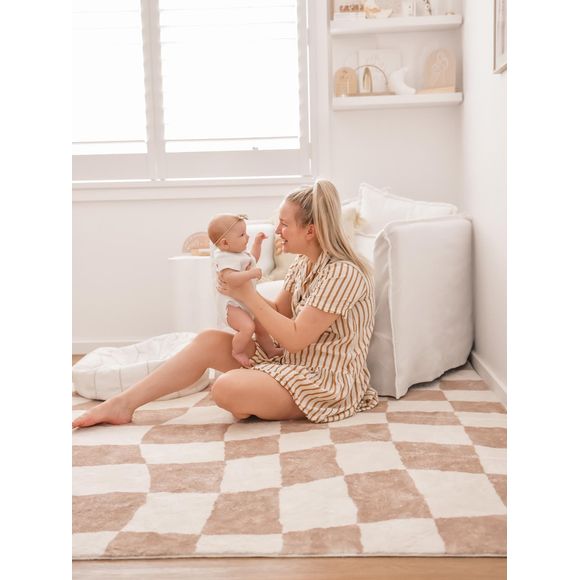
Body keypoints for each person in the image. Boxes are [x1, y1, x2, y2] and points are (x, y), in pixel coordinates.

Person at [72, 179, 378, 428]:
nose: (278, 231)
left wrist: (247, 295)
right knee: (208, 340)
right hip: (291, 363)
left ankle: (256, 397)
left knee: (226, 388)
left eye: (284, 224)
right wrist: (241, 292)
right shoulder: (304, 264)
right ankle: (123, 404)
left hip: (324, 382)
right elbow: (279, 314)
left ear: (310, 230)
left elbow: (295, 338)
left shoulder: (342, 273)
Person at [207, 213, 283, 367]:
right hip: (232, 305)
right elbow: (229, 278)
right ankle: (238, 351)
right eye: (242, 235)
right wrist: (251, 274)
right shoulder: (224, 257)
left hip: (244, 302)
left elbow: (253, 259)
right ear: (225, 243)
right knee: (247, 327)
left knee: (261, 326)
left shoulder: (238, 253)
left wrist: (257, 243)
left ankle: (270, 350)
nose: (247, 237)